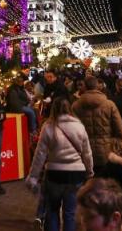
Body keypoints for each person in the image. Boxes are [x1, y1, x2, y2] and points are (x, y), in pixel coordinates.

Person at [26, 96, 93, 231]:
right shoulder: (79, 126)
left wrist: (33, 176)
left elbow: (40, 154)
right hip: (76, 175)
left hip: (54, 174)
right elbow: (87, 153)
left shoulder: (48, 127)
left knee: (52, 210)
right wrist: (90, 171)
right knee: (70, 212)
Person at [72, 76, 122, 176]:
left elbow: (73, 131)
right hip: (106, 150)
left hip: (84, 151)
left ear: (84, 87)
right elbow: (120, 128)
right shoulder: (109, 104)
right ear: (98, 87)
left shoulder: (76, 106)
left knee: (88, 185)